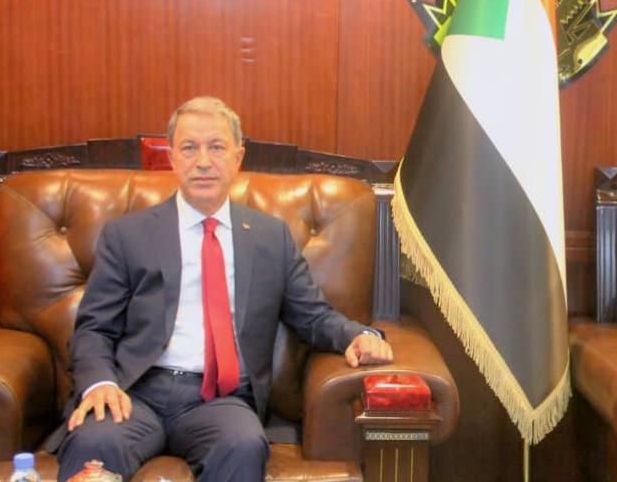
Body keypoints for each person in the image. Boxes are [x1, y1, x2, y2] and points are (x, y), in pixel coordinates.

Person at [52, 97, 394, 481]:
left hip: (221, 399)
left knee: (243, 444)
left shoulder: (270, 237)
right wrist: (99, 383)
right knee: (94, 441)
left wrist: (358, 336)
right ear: (172, 158)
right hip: (136, 392)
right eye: (189, 148)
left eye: (216, 147)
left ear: (237, 158)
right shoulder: (128, 234)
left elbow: (312, 315)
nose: (203, 161)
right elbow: (94, 328)